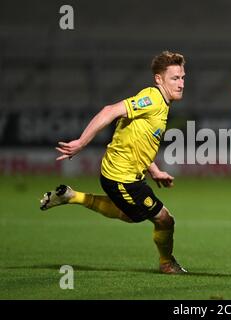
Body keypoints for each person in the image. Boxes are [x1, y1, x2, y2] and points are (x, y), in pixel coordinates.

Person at [40, 50, 187, 274]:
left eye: (183, 77)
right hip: (121, 177)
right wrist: (81, 142)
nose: (181, 83)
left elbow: (138, 142)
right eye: (175, 78)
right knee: (164, 219)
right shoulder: (153, 98)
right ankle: (167, 264)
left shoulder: (161, 104)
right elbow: (109, 111)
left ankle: (71, 196)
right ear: (159, 79)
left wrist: (154, 170)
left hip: (124, 175)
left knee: (132, 215)